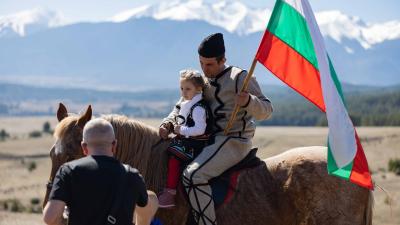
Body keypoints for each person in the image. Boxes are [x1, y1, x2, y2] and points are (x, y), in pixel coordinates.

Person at [160, 33, 273, 225]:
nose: (205, 69)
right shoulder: (201, 79)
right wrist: (168, 123)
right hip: (203, 140)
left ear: (223, 60)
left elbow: (267, 110)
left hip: (233, 141)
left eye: (210, 64)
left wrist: (248, 101)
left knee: (193, 176)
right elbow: (182, 105)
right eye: (202, 63)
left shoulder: (240, 78)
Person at [43, 118, 158, 225]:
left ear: (84, 147)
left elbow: (49, 218)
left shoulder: (68, 172)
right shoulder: (132, 175)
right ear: (114, 145)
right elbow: (147, 206)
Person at [158, 69, 212, 208]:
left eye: (188, 89)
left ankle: (170, 193)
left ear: (199, 88)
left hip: (195, 144)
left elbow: (200, 129)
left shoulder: (198, 108)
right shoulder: (188, 103)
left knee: (175, 157)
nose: (183, 92)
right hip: (187, 139)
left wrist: (180, 129)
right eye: (182, 88)